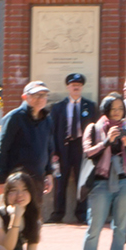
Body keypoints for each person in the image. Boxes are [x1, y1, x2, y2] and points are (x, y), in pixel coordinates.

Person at [0, 81, 59, 250]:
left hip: (36, 180)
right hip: (15, 181)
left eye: (43, 95)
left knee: (34, 219)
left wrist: (49, 173)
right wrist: (1, 179)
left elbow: (49, 148)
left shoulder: (47, 120)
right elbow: (2, 148)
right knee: (13, 218)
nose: (40, 99)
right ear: (25, 97)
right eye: (36, 95)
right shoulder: (14, 117)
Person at [79, 94, 126, 250]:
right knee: (94, 228)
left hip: (124, 182)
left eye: (120, 109)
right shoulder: (94, 128)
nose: (117, 112)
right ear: (106, 110)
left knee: (121, 228)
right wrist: (106, 141)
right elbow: (88, 152)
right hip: (100, 183)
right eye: (113, 109)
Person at [48, 72, 97, 225]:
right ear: (68, 87)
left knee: (81, 182)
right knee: (60, 182)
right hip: (63, 148)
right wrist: (54, 152)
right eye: (73, 85)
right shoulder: (57, 107)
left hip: (82, 148)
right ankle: (57, 214)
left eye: (78, 85)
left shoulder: (90, 106)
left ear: (82, 87)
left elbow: (96, 129)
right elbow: (52, 131)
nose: (75, 87)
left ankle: (81, 213)